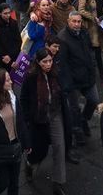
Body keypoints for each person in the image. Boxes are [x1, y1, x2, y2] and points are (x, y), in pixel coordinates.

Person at [20, 48, 71, 195]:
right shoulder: (31, 77)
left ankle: (58, 182)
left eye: (50, 61)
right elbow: (23, 98)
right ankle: (30, 164)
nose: (48, 64)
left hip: (55, 115)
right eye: (45, 62)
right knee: (39, 151)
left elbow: (62, 92)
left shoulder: (56, 73)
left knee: (59, 147)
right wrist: (27, 119)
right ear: (38, 62)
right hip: (39, 119)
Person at [58, 11, 98, 143]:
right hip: (73, 80)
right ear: (68, 22)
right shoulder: (62, 38)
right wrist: (67, 83)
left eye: (79, 21)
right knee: (74, 108)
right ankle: (77, 132)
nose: (76, 24)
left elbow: (89, 51)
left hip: (87, 75)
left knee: (93, 100)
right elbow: (62, 64)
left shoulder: (84, 33)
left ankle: (84, 119)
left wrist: (92, 68)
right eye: (74, 21)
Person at [0, 3, 22, 71]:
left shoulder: (13, 23)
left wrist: (11, 56)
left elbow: (18, 41)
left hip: (13, 57)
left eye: (9, 13)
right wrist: (4, 57)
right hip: (1, 60)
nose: (8, 15)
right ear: (0, 13)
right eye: (5, 13)